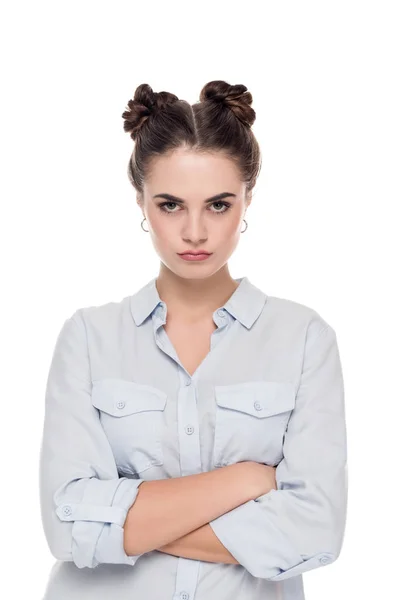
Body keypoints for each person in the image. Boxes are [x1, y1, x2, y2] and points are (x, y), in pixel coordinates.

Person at [39, 80, 348, 600]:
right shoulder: (89, 338)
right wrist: (246, 480)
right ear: (140, 200)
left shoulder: (304, 340)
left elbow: (314, 531)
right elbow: (66, 526)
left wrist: (124, 524)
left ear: (249, 196)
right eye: (171, 205)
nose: (196, 232)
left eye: (219, 205)